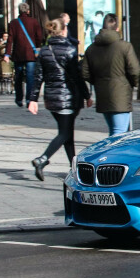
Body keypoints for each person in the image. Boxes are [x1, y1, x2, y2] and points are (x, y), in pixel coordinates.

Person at [28, 19, 91, 180]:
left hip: (51, 97)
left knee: (67, 134)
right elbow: (77, 76)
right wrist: (87, 95)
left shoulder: (44, 51)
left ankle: (74, 169)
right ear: (64, 31)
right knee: (64, 133)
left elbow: (38, 77)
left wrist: (33, 99)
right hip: (67, 97)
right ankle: (42, 159)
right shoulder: (70, 50)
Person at [82, 13, 140, 136]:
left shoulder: (92, 48)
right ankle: (112, 155)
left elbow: (85, 72)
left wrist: (97, 81)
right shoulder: (124, 46)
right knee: (119, 132)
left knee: (114, 130)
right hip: (121, 92)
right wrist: (133, 83)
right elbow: (134, 69)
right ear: (117, 28)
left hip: (102, 92)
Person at [7, 2, 45, 107]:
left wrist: (7, 54)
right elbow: (39, 37)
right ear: (28, 11)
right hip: (31, 54)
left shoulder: (13, 23)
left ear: (19, 11)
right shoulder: (34, 22)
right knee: (30, 77)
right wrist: (37, 47)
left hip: (18, 54)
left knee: (18, 77)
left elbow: (10, 40)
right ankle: (29, 99)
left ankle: (19, 99)